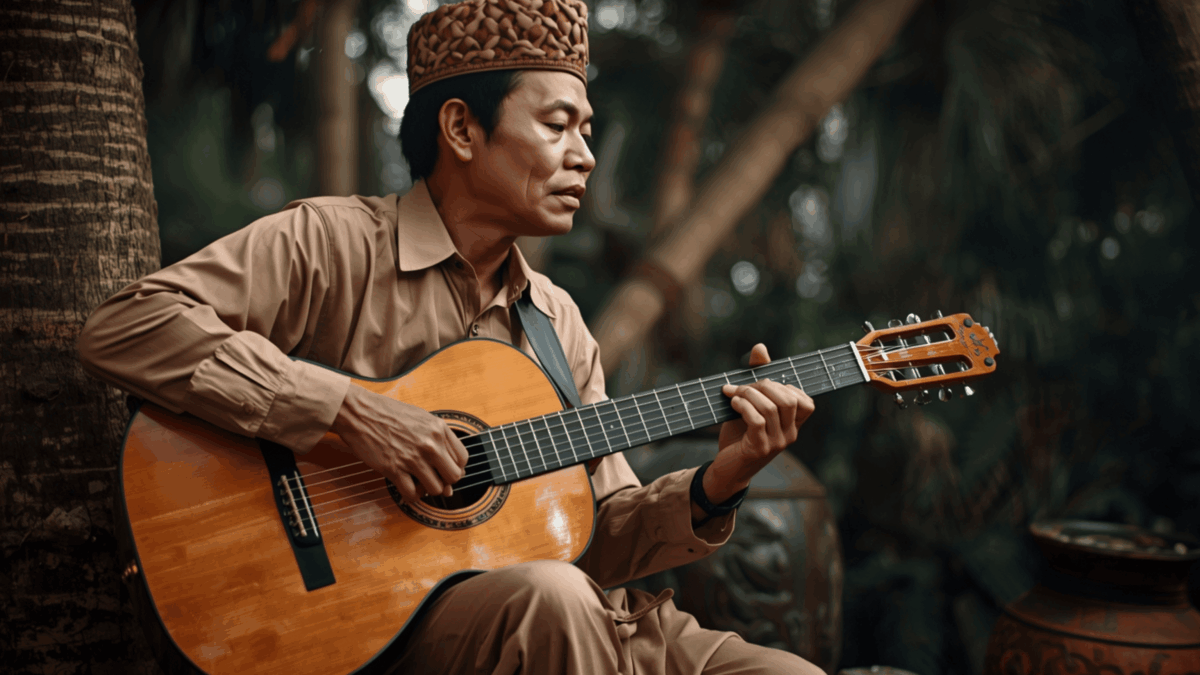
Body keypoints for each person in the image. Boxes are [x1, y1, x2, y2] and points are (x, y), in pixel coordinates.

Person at [78, 0, 820, 672]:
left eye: (586, 130)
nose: (586, 155)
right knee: (551, 599)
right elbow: (128, 324)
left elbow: (601, 531)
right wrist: (349, 410)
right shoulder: (329, 244)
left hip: (585, 626)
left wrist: (721, 480)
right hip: (381, 635)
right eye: (558, 124)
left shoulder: (557, 320)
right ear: (462, 128)